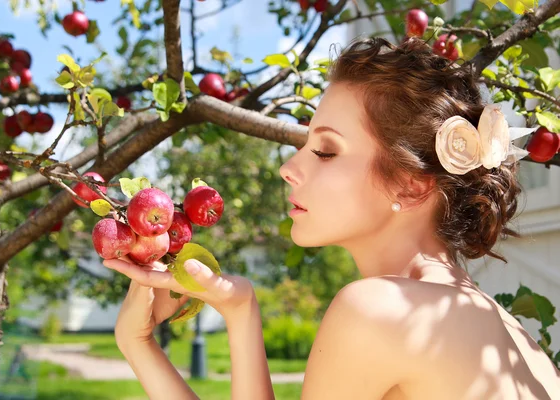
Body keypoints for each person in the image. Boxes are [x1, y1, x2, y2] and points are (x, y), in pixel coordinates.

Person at [102, 37, 560, 399]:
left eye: (325, 151)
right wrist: (238, 312)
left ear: (411, 184)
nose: (288, 168)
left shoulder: (378, 309)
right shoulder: (514, 337)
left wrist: (140, 347)